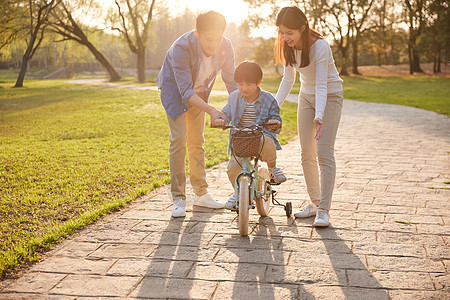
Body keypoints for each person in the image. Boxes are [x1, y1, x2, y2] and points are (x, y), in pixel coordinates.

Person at [157, 11, 238, 218]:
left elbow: (231, 82)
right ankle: (179, 197)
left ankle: (201, 194)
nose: (213, 44)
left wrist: (242, 106)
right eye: (208, 39)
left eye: (218, 38)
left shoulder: (225, 46)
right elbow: (184, 91)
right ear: (197, 34)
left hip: (199, 93)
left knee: (197, 141)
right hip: (175, 93)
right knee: (179, 140)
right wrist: (211, 110)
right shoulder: (181, 48)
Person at [274, 6, 344, 227]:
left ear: (303, 27)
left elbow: (322, 85)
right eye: (282, 32)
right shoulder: (288, 46)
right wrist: (273, 108)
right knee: (306, 153)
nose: (285, 37)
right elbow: (288, 80)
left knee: (324, 153)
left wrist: (320, 115)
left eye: (290, 33)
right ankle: (315, 203)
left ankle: (324, 209)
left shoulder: (320, 46)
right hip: (306, 97)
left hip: (330, 97)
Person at [212, 61, 286, 210]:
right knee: (232, 168)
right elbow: (226, 112)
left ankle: (272, 169)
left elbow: (276, 117)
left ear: (258, 83)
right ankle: (238, 192)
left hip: (259, 136)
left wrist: (274, 121)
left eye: (249, 84)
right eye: (240, 84)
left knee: (267, 140)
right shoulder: (234, 97)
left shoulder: (268, 99)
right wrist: (221, 120)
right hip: (241, 140)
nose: (244, 88)